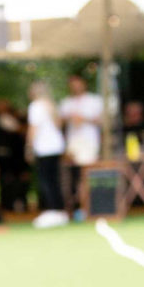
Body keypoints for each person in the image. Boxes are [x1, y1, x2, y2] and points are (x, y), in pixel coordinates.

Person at [60, 74, 105, 218]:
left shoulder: (94, 100)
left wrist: (84, 119)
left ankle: (90, 207)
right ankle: (76, 208)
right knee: (73, 177)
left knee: (87, 175)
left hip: (89, 142)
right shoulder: (66, 103)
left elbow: (103, 121)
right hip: (72, 144)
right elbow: (59, 122)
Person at [25, 82, 68, 226]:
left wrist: (29, 147)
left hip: (44, 148)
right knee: (54, 180)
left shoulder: (35, 106)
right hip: (56, 147)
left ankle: (53, 210)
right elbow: (59, 125)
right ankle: (60, 211)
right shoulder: (52, 106)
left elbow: (33, 129)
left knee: (46, 180)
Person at [0, 98, 31, 215]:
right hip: (7, 155)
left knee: (17, 179)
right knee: (7, 180)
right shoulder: (1, 120)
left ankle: (17, 202)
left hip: (15, 155)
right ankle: (8, 204)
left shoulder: (9, 119)